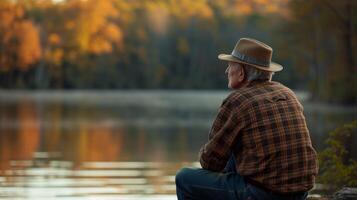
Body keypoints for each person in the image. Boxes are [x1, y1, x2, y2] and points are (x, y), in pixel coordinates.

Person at [175, 38, 318, 200]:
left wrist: (206, 151)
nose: (226, 71)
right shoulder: (287, 93)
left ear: (241, 73)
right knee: (235, 151)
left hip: (265, 195)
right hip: (300, 194)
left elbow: (210, 162)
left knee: (184, 178)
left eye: (230, 66)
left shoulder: (238, 100)